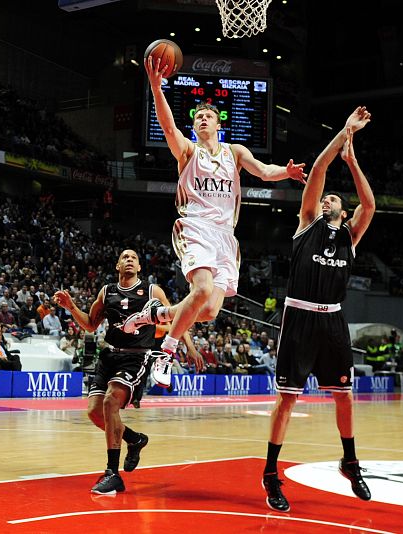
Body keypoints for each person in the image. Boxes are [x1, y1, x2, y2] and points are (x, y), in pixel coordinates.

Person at [118, 56, 307, 388]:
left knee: (207, 312)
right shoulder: (188, 152)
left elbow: (265, 172)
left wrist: (286, 172)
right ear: (194, 126)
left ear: (220, 124)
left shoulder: (235, 152)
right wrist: (156, 88)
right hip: (195, 227)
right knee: (202, 289)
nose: (203, 119)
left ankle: (154, 315)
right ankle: (166, 353)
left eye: (208, 116)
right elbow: (168, 127)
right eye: (198, 117)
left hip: (226, 237)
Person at [261, 106, 374, 512]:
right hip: (300, 315)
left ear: (343, 211)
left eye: (333, 198)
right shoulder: (308, 221)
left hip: (333, 318)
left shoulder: (350, 235)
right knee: (287, 399)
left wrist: (353, 160)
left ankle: (350, 461)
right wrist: (344, 132)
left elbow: (369, 205)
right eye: (325, 196)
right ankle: (270, 473)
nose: (327, 198)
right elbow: (321, 167)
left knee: (344, 395)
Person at [53, 249, 204, 495]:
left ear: (140, 267)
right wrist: (71, 306)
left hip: (136, 357)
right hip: (109, 355)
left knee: (111, 401)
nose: (130, 260)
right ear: (118, 266)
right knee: (94, 413)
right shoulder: (107, 292)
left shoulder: (152, 291)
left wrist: (190, 347)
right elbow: (90, 325)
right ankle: (134, 439)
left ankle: (112, 473)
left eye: (134, 257)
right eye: (125, 257)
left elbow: (179, 316)